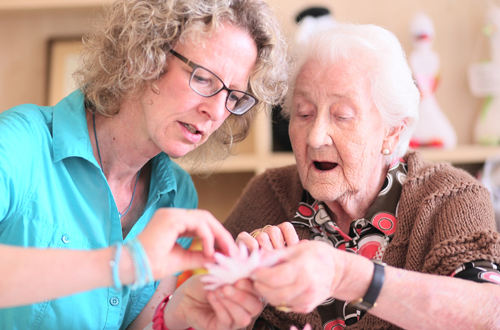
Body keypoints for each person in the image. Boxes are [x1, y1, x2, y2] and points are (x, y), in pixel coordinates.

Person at [0, 0, 287, 328]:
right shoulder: (18, 143)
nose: (218, 112)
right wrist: (124, 263)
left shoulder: (178, 194)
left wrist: (180, 312)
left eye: (233, 96)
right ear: (141, 56)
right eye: (204, 78)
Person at [225, 23, 500, 330]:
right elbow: (195, 303)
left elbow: (488, 313)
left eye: (342, 116)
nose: (315, 138)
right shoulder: (268, 195)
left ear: (392, 133)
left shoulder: (451, 197)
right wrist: (241, 290)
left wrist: (346, 275)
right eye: (304, 113)